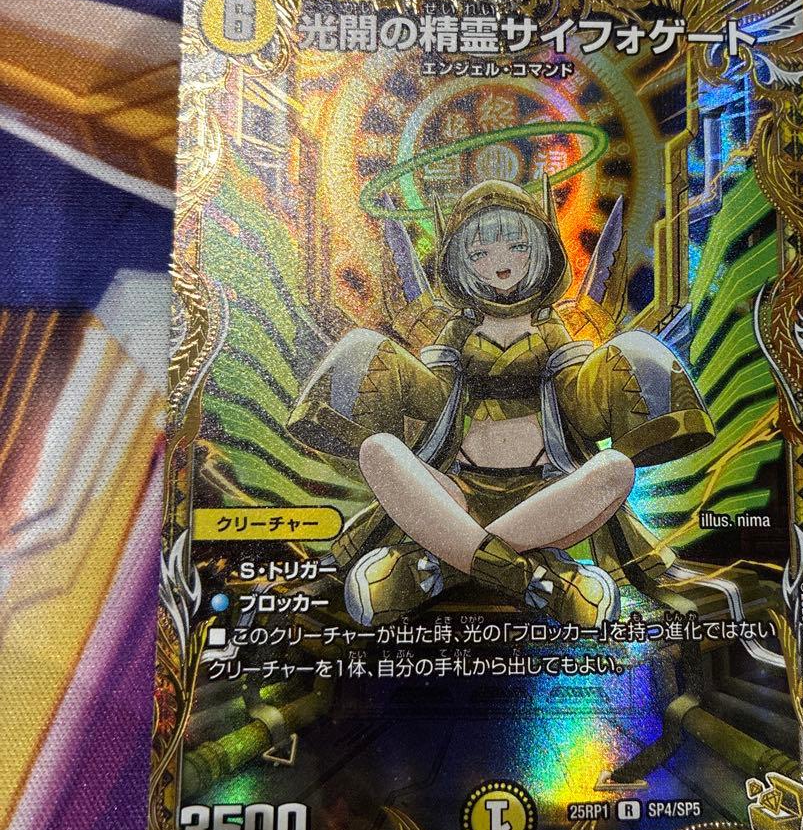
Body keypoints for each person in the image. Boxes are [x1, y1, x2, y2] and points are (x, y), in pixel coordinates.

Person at [288, 178, 715, 627]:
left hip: (545, 496)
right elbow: (432, 401)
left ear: (542, 251)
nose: (500, 263)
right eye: (480, 254)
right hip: (456, 492)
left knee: (615, 469)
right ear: (459, 262)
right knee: (379, 451)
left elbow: (583, 411)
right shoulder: (456, 331)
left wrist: (613, 371)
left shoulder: (552, 331)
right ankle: (539, 581)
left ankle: (444, 564)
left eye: (517, 247)